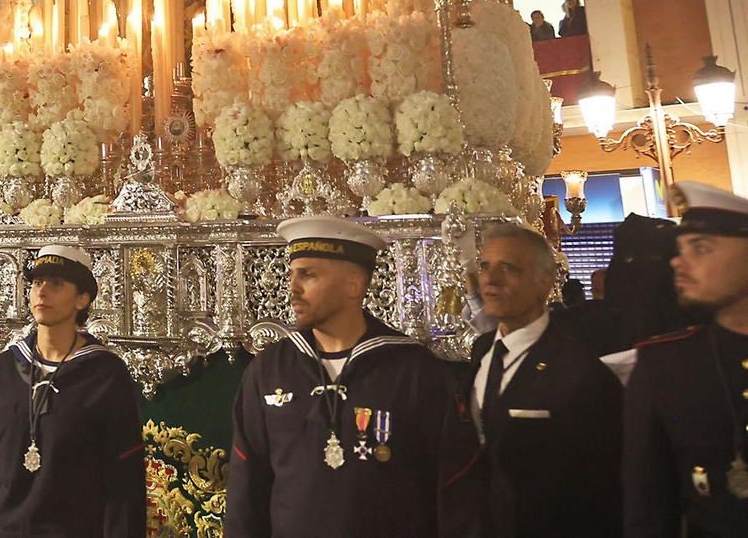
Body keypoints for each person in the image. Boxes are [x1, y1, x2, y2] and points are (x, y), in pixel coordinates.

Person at [226, 216, 485, 538]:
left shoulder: (416, 372)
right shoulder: (268, 369)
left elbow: (457, 490)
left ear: (353, 285)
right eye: (292, 274)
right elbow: (246, 490)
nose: (293, 287)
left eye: (308, 275)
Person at [0, 244, 145, 538]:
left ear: (82, 299)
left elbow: (123, 481)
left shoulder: (105, 375)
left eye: (56, 284)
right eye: (36, 283)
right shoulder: (7, 367)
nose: (42, 292)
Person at [469, 223, 622, 537]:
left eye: (508, 268)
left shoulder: (580, 372)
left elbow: (606, 489)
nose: (490, 279)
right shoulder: (482, 351)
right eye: (485, 266)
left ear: (545, 282)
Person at [623, 182, 748, 537]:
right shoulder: (664, 365)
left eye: (701, 248)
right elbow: (648, 508)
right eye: (680, 249)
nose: (677, 261)